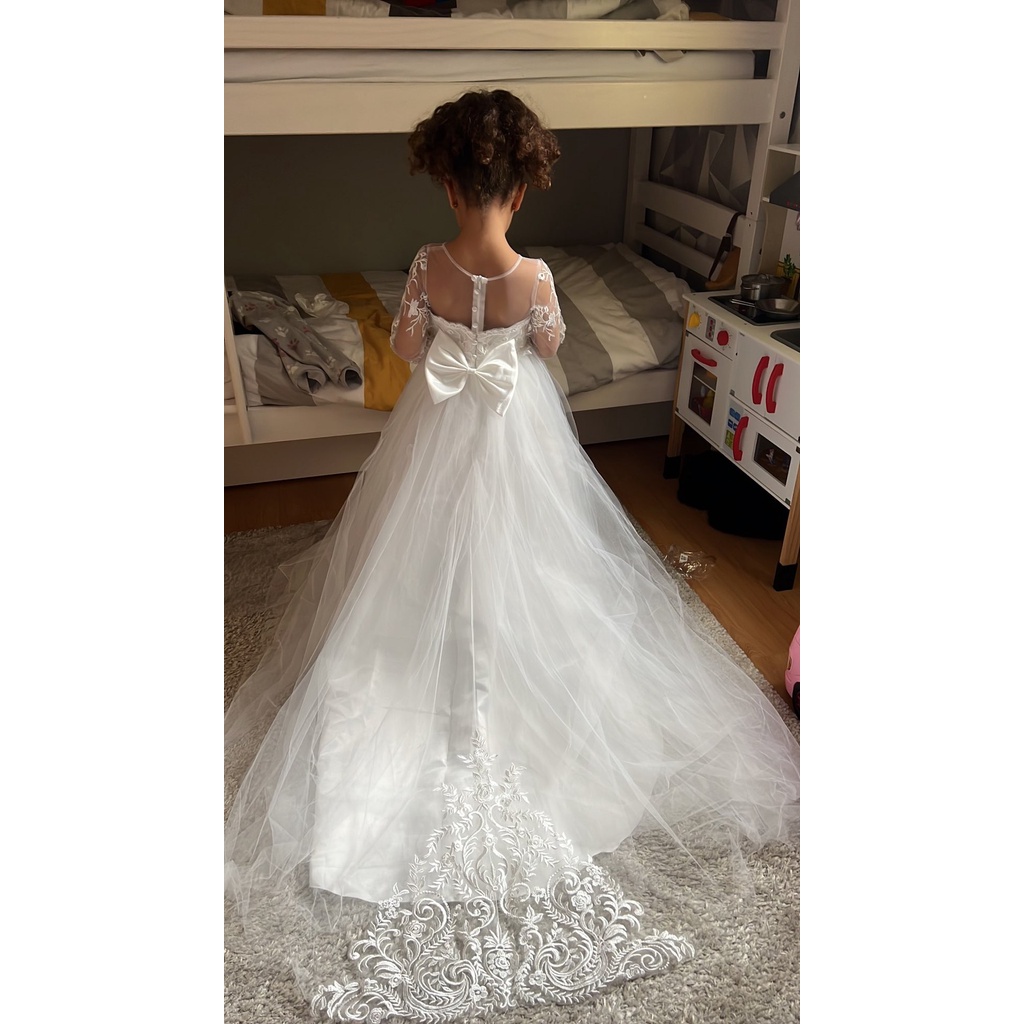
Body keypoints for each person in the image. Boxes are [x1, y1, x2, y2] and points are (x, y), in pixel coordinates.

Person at [225, 89, 799, 1023]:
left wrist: (445, 328)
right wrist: (519, 330)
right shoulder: (535, 274)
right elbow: (552, 344)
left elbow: (408, 345)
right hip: (515, 426)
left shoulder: (427, 263)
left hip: (439, 424)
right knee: (538, 550)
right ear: (523, 191)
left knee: (415, 544)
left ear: (449, 187)